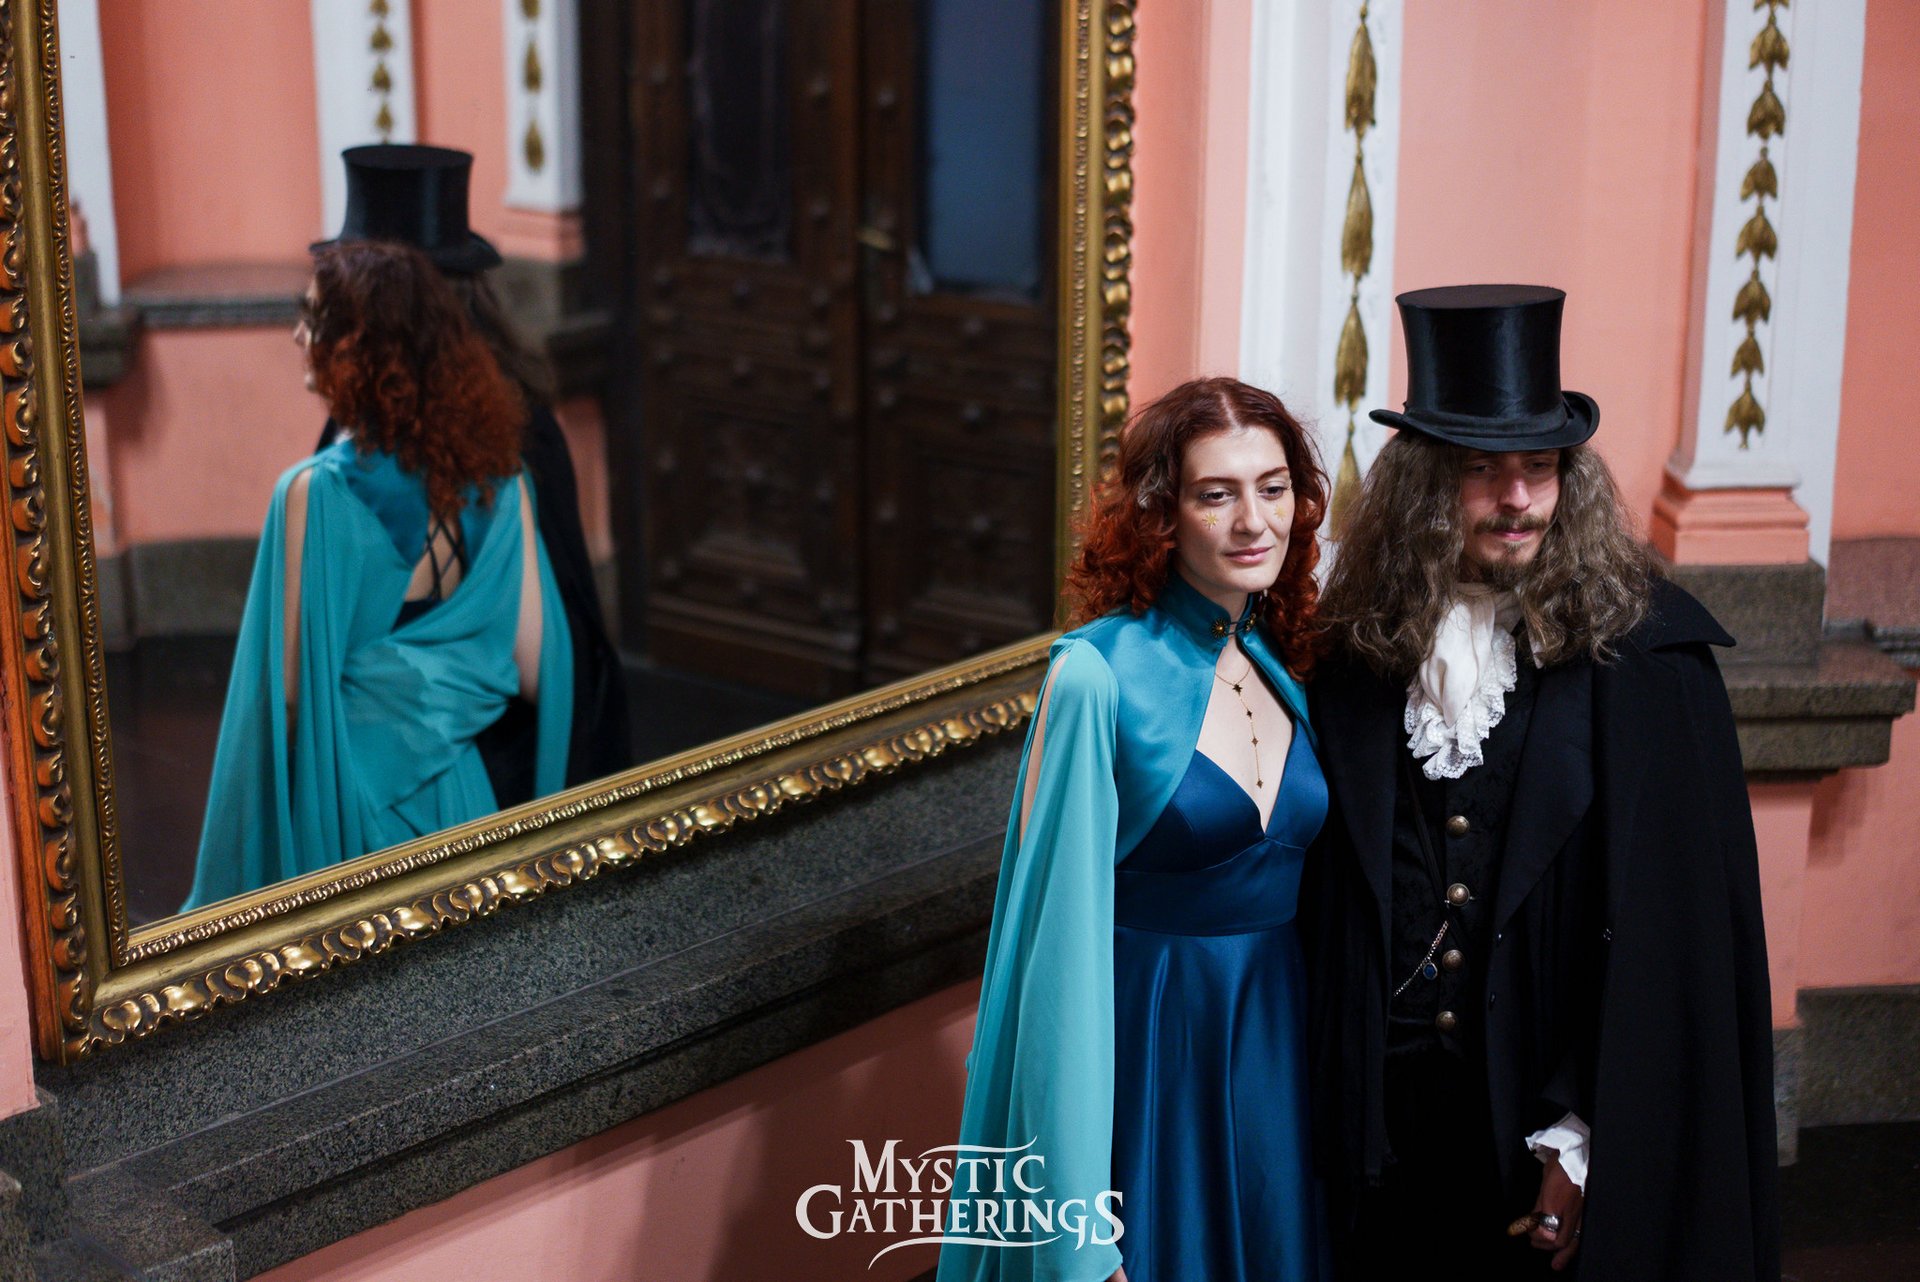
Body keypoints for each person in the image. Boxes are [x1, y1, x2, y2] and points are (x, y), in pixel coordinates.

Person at [1304, 284, 1779, 1279]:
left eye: (1540, 467)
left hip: (1541, 1118)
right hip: (1379, 1122)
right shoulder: (1354, 650)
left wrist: (1582, 1137)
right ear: (1424, 486)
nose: (1517, 498)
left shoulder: (1649, 663)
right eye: (1482, 471)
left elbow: (1670, 944)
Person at [939, 377, 1330, 1282]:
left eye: (1273, 488)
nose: (1253, 522)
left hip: (1275, 1058)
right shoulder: (1094, 677)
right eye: (1216, 494)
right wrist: (1075, 1226)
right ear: (1162, 514)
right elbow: (1053, 967)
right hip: (1147, 1064)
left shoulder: (1289, 654)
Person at [180, 241, 574, 911]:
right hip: (459, 799)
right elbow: (537, 668)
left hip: (347, 800)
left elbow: (282, 700)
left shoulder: (315, 495)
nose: (297, 335)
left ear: (360, 347)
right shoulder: (504, 483)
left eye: (313, 319)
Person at [313, 144, 629, 805]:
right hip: (365, 763)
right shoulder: (353, 422)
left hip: (489, 772)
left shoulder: (523, 434)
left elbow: (550, 654)